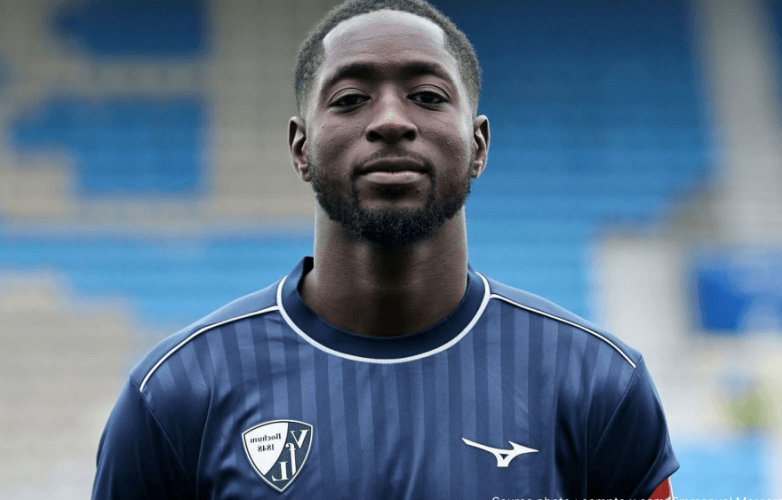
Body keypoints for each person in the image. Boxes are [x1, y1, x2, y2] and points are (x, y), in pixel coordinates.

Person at [92, 0, 678, 498]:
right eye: (350, 99)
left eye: (427, 95)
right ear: (301, 148)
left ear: (478, 145)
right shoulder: (178, 392)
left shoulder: (598, 384)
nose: (392, 121)